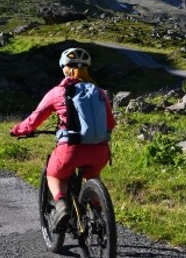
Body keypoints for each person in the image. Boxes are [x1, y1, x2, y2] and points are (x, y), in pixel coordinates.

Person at [10, 47, 115, 228]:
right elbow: (111, 123)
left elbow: (34, 120)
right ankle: (98, 215)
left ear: (64, 68)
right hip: (100, 151)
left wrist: (18, 130)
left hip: (70, 150)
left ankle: (61, 206)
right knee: (94, 175)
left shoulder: (58, 92)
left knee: (55, 175)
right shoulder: (100, 92)